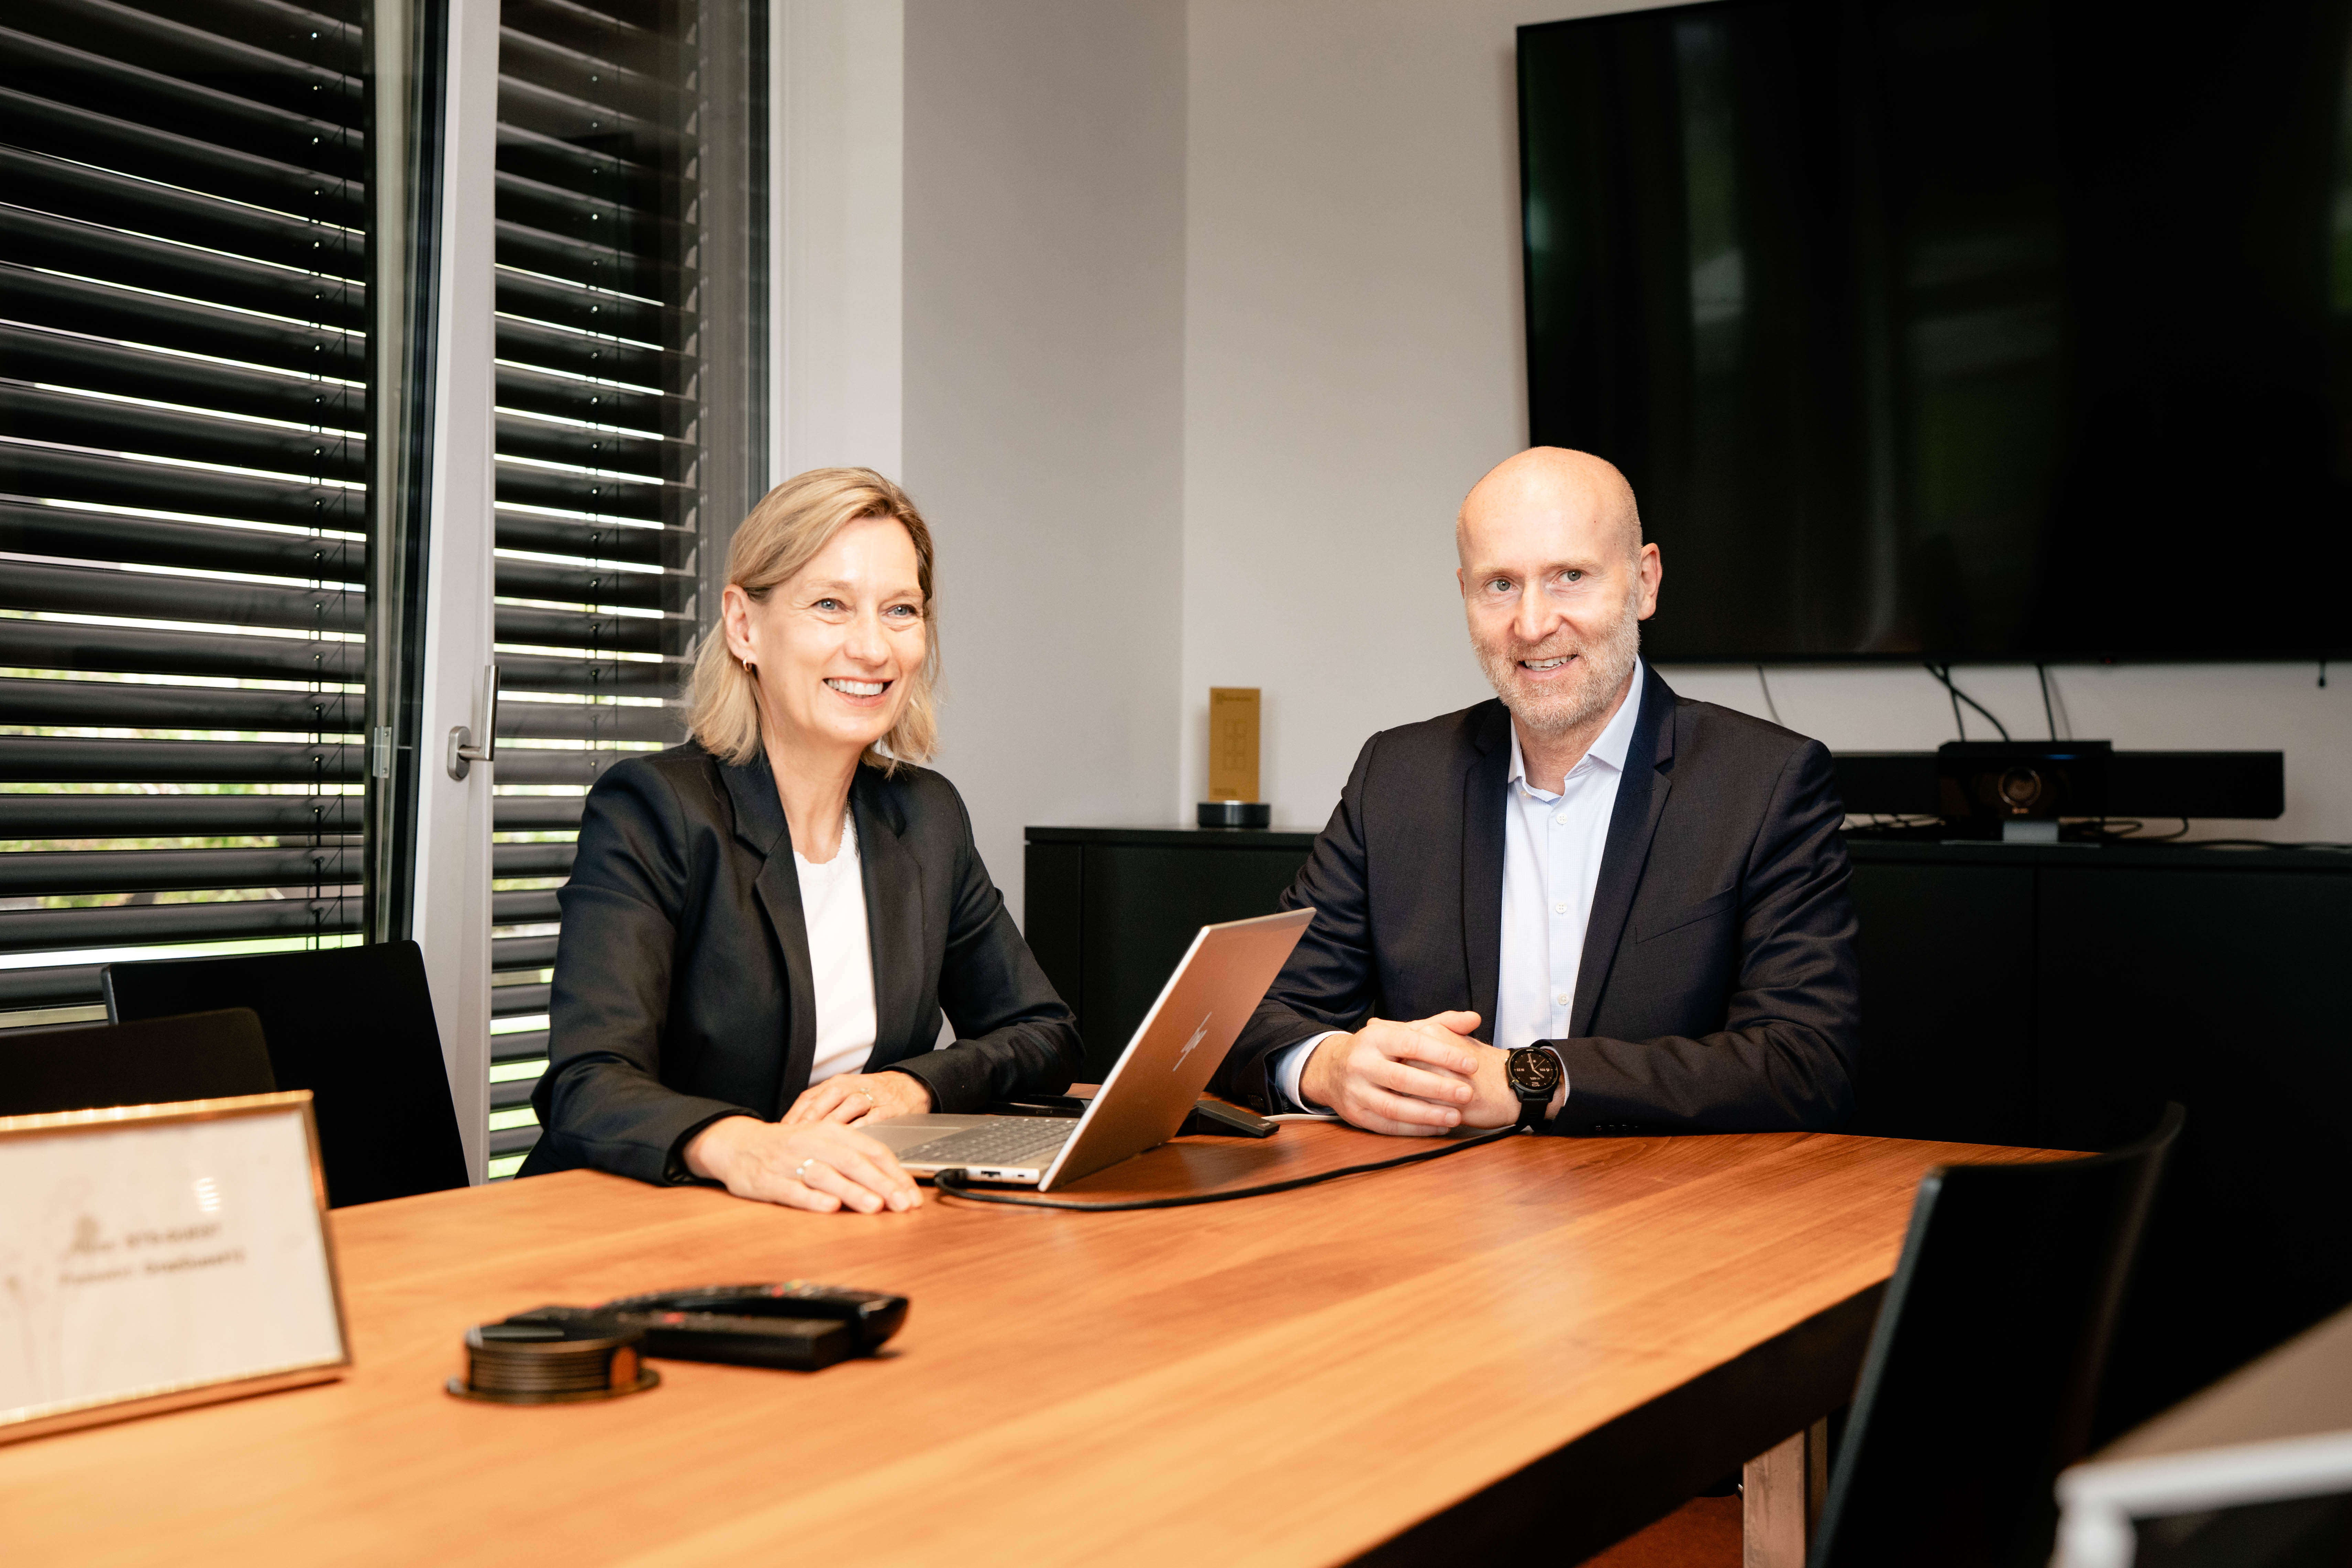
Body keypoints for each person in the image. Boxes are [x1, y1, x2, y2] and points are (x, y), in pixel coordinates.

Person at [1211, 447, 1859, 1135]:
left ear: (1644, 581)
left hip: (1665, 1209)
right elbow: (1246, 1018)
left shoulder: (1764, 783)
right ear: (1464, 592)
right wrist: (1326, 1065)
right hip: (1431, 1210)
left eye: (1570, 576)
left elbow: (1805, 1061)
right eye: (1500, 586)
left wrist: (1529, 1081)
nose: (1532, 623)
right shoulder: (1396, 777)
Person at [524, 468, 1083, 1211]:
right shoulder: (655, 809)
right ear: (745, 626)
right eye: (830, 606)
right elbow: (587, 1082)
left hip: (843, 1217)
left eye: (900, 611)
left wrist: (915, 1085)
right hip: (643, 1219)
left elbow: (1043, 1032)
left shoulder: (927, 817)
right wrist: (743, 1146)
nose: (874, 649)